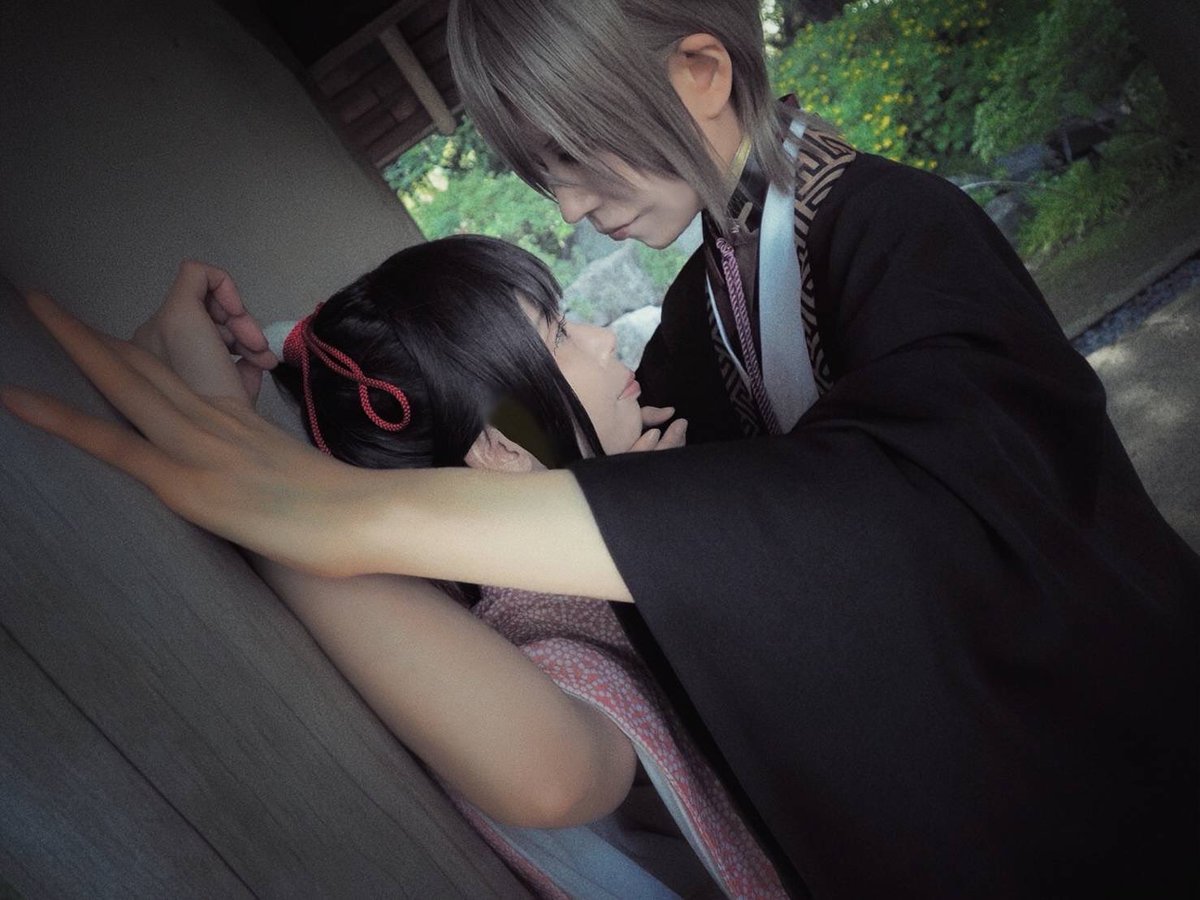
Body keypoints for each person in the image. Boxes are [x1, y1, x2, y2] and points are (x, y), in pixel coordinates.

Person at [3, 0, 1197, 894]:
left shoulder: (895, 227)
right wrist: (280, 371)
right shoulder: (704, 307)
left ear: (699, 72)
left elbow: (942, 506)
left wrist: (340, 516)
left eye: (570, 158)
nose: (567, 207)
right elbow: (509, 419)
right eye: (541, 176)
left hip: (1105, 773)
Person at [128, 244, 782, 899]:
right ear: (498, 447)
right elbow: (550, 777)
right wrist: (247, 471)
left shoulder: (670, 458)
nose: (603, 338)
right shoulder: (555, 619)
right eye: (559, 335)